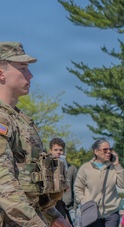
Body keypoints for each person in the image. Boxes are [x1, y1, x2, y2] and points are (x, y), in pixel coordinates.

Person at [0, 42, 70, 227]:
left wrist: (53, 217)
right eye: (22, 69)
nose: (30, 75)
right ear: (1, 73)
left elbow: (32, 182)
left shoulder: (20, 120)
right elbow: (3, 185)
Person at [74, 138, 124, 227]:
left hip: (111, 212)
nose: (108, 152)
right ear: (96, 151)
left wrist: (117, 165)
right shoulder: (85, 168)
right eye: (105, 150)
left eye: (110, 149)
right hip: (92, 213)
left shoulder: (113, 167)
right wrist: (84, 201)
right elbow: (78, 188)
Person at [50, 137, 79, 224]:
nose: (58, 152)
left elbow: (75, 188)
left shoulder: (71, 169)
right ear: (50, 151)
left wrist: (74, 207)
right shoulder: (47, 169)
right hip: (53, 206)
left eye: (61, 150)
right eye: (55, 150)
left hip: (68, 206)